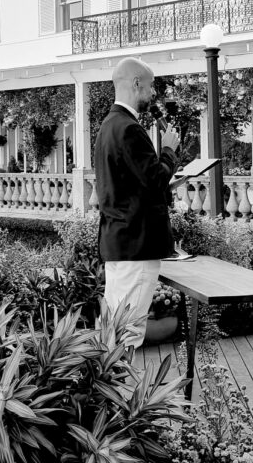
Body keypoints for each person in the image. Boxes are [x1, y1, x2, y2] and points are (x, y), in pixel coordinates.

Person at [94, 57, 181, 349]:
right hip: (136, 245)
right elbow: (155, 180)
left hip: (119, 241)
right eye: (151, 85)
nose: (153, 92)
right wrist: (168, 151)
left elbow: (132, 185)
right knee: (127, 334)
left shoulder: (109, 125)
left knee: (114, 330)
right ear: (136, 83)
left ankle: (110, 377)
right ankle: (121, 380)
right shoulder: (129, 128)